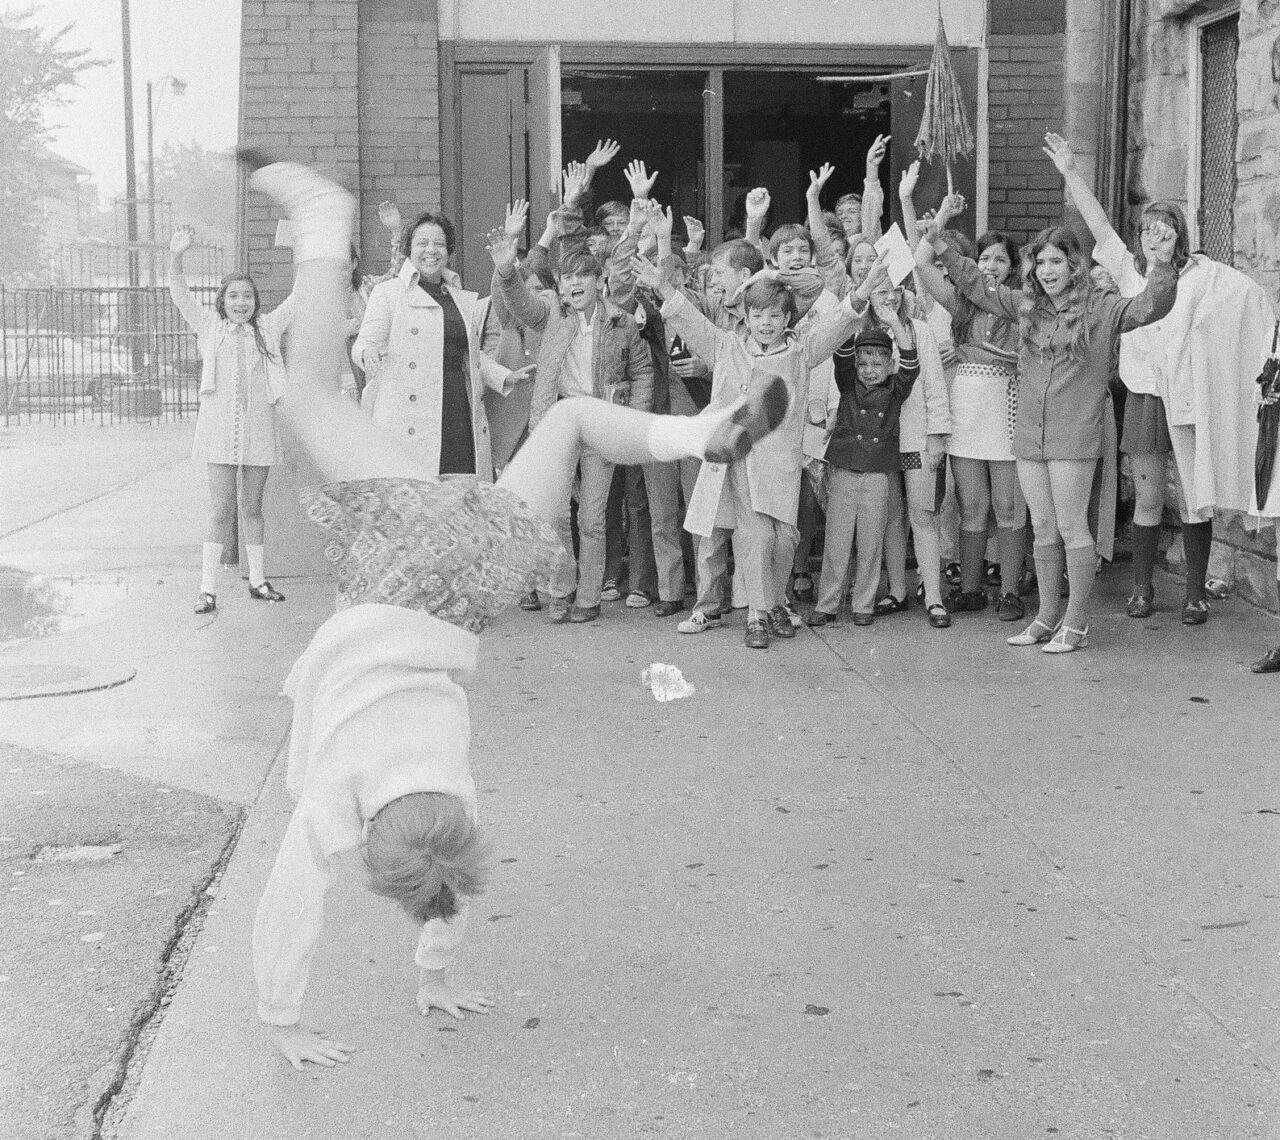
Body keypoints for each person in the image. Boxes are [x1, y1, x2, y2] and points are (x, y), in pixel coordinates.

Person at [242, 153, 794, 1070]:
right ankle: (323, 219)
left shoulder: (453, 795)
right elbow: (298, 897)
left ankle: (696, 437)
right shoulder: (345, 801)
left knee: (573, 416)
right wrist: (283, 1018)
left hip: (476, 589)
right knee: (306, 393)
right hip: (402, 557)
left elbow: (451, 878)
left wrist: (436, 969)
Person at [916, 194, 1178, 653]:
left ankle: (1076, 622)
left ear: (1074, 265)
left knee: (1073, 527)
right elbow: (976, 285)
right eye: (1040, 263)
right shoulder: (1025, 305)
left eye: (1056, 261)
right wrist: (939, 244)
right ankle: (1046, 616)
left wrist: (1161, 263)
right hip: (1030, 434)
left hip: (1074, 435)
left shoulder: (1102, 307)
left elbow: (1149, 308)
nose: (1047, 271)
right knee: (1042, 527)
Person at [1044, 131, 1279, 626]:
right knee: (1149, 496)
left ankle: (1195, 593)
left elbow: (1254, 307)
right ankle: (1143, 588)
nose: (1155, 235)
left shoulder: (1205, 275)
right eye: (1147, 228)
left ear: (1179, 234)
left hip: (1193, 396)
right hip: (1148, 394)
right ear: (1140, 237)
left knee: (1197, 495)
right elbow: (1099, 224)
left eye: (1165, 227)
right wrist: (1070, 172)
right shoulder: (1131, 274)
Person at [633, 250, 879, 648]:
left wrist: (863, 290)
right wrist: (662, 285)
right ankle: (756, 616)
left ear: (787, 319)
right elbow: (689, 321)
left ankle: (775, 603)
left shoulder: (801, 351)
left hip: (780, 465)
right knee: (754, 535)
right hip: (736, 462)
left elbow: (837, 324)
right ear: (745, 317)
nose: (765, 324)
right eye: (758, 315)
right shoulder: (727, 346)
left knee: (785, 538)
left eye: (774, 316)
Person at [489, 230, 656, 625]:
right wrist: (506, 269)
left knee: (592, 517)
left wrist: (635, 418)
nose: (574, 283)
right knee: (559, 514)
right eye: (567, 277)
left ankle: (589, 596)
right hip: (558, 423)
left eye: (583, 276)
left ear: (599, 281)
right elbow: (519, 304)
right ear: (560, 285)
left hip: (601, 422)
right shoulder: (551, 314)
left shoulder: (621, 322)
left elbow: (643, 371)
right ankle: (560, 591)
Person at [352, 210, 533, 479]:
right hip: (407, 417)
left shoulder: (458, 297)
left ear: (448, 251)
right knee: (415, 499)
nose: (431, 251)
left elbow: (468, 353)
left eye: (438, 244)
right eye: (422, 243)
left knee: (457, 494)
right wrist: (368, 353)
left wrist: (504, 376)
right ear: (409, 250)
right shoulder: (388, 293)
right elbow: (364, 343)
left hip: (456, 408)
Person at [169, 225, 293, 614]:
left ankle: (258, 580)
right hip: (218, 432)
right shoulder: (210, 327)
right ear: (223, 300)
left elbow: (300, 296)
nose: (242, 302)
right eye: (234, 296)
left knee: (253, 507)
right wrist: (176, 257)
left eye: (248, 296)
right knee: (221, 510)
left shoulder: (269, 328)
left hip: (258, 430)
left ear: (256, 301)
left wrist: (297, 253)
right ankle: (207, 588)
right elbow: (180, 295)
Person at [911, 218, 1026, 620]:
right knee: (971, 503)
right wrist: (937, 225)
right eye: (984, 257)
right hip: (967, 407)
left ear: (1013, 266)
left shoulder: (1019, 303)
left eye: (1000, 258)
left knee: (1008, 505)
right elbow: (923, 266)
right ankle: (972, 588)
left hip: (1007, 407)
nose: (991, 265)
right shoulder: (963, 303)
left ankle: (1011, 591)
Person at [807, 304, 921, 628]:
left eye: (877, 363)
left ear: (890, 364)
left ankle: (864, 603)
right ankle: (827, 603)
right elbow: (841, 357)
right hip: (844, 470)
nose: (869, 369)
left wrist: (894, 324)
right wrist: (853, 316)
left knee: (871, 542)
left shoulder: (896, 390)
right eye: (864, 363)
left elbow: (912, 366)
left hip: (877, 475)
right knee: (837, 540)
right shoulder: (848, 385)